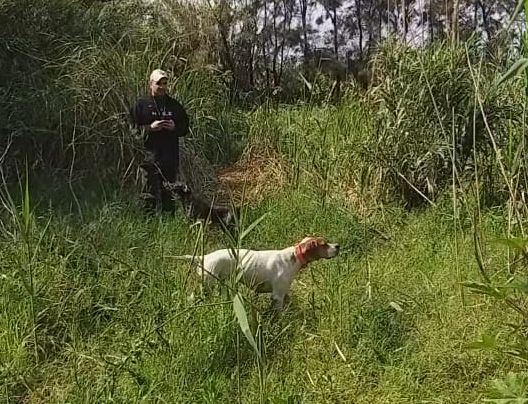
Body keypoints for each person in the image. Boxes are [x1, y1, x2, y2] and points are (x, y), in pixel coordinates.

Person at [129, 69, 189, 213]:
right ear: (150, 84)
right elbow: (131, 128)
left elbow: (185, 127)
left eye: (165, 83)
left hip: (169, 156)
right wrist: (149, 128)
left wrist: (174, 127)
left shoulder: (174, 105)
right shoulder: (141, 105)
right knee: (148, 194)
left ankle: (169, 226)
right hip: (149, 157)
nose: (162, 87)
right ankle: (148, 226)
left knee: (169, 193)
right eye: (158, 83)